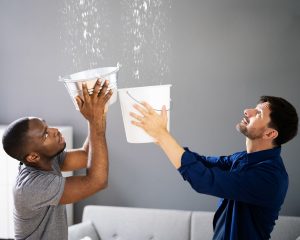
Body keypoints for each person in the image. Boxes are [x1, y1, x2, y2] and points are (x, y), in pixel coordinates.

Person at [130, 95, 298, 240]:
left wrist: (162, 135)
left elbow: (204, 180)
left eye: (258, 113)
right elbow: (202, 163)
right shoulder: (242, 158)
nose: (247, 111)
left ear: (270, 134)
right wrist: (161, 137)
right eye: (254, 108)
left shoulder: (270, 178)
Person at [2, 79, 112, 240]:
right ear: (33, 156)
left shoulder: (47, 159)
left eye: (47, 126)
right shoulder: (31, 188)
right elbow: (97, 181)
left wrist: (98, 112)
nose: (55, 131)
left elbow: (87, 155)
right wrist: (95, 120)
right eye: (45, 134)